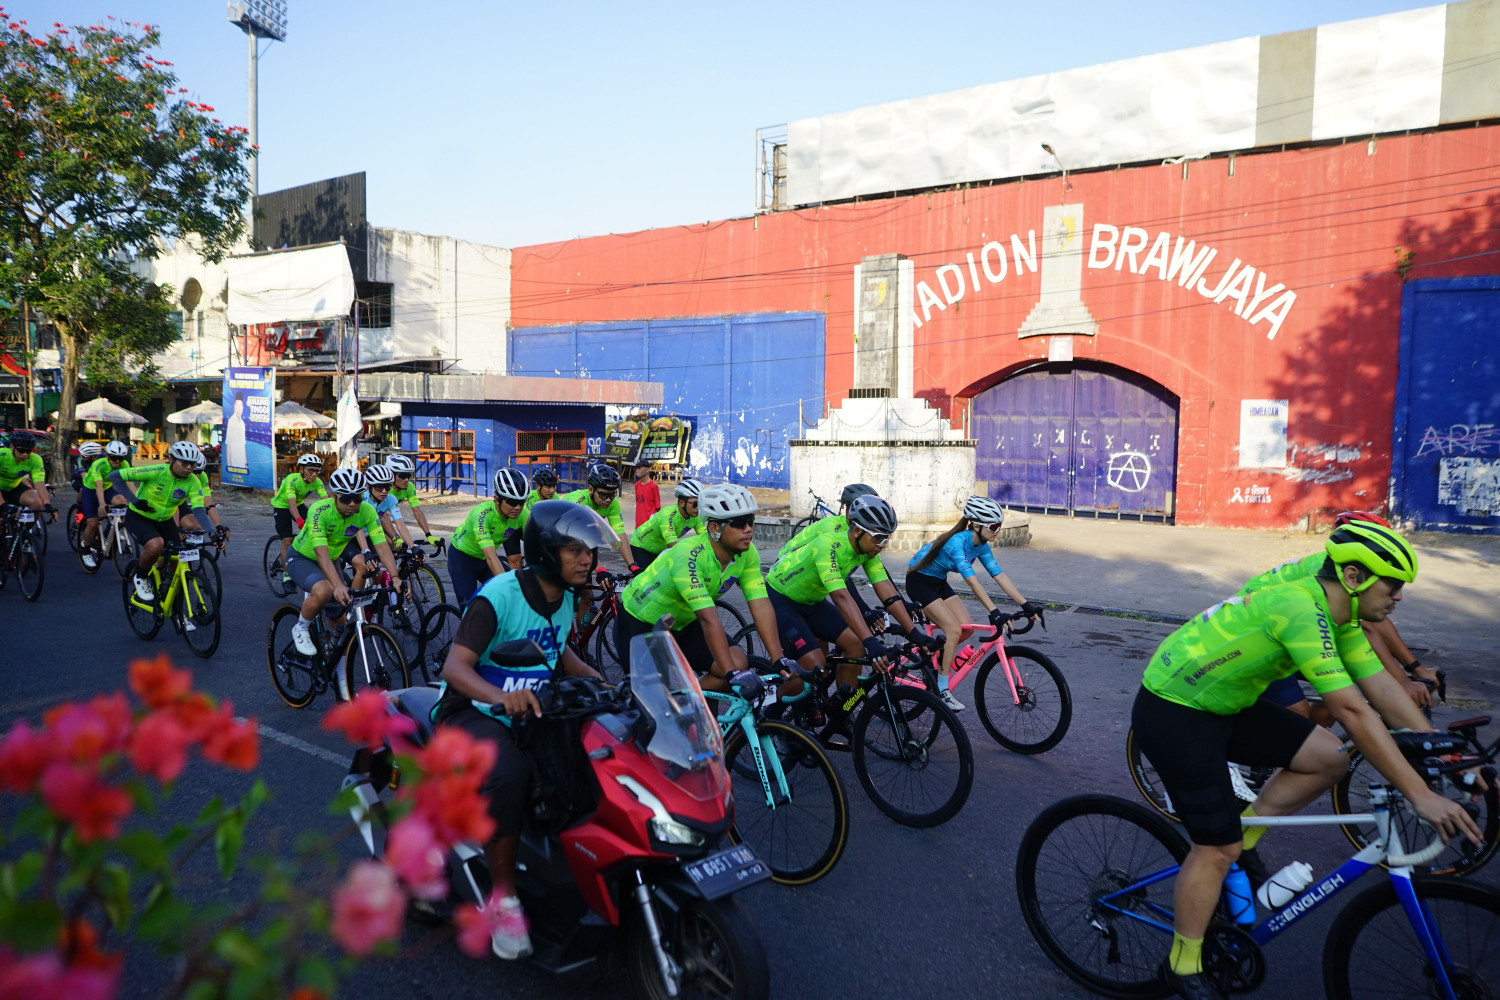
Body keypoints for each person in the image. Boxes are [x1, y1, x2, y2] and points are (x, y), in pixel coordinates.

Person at [1131, 521, 1481, 1000]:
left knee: (1329, 758)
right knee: (1215, 848)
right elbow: (1353, 711)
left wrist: (1452, 753)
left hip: (1227, 705)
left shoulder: (1343, 618)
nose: (1399, 597)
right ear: (1354, 577)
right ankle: (1183, 963)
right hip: (1174, 711)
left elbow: (1382, 689)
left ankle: (1245, 839)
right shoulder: (1300, 608)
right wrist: (1419, 795)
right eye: (1392, 586)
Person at [432, 499, 614, 960]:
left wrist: (599, 680)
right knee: (512, 772)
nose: (586, 560)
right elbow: (455, 667)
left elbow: (557, 651)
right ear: (546, 552)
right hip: (472, 710)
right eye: (574, 551)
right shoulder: (499, 596)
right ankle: (504, 900)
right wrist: (500, 697)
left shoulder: (567, 595)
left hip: (534, 706)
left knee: (598, 752)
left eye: (589, 551)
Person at [1239, 510, 1439, 719]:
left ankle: (1315, 736)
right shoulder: (1330, 571)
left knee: (1343, 688)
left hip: (1293, 629)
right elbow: (1367, 629)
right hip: (1258, 636)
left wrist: (1415, 668)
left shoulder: (1349, 570)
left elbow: (1380, 624)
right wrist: (1403, 681)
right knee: (1298, 711)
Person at [765, 494, 931, 743]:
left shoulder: (867, 551)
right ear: (856, 531)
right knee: (814, 664)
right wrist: (870, 641)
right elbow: (842, 598)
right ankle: (768, 715)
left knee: (854, 645)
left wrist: (914, 633)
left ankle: (840, 714)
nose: (883, 544)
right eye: (878, 537)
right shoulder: (828, 545)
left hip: (811, 601)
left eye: (887, 538)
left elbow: (887, 590)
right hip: (781, 599)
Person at [616, 483, 794, 691]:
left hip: (683, 621)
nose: (748, 529)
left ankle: (690, 700)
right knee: (651, 698)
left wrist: (778, 659)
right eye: (739, 522)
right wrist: (732, 675)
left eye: (750, 521)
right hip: (641, 621)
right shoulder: (688, 555)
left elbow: (761, 605)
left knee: (738, 662)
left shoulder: (747, 553)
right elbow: (708, 618)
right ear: (714, 528)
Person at [905, 495, 1043, 711]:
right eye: (993, 526)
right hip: (919, 583)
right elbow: (972, 582)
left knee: (965, 628)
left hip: (938, 582)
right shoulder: (957, 543)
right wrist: (994, 611)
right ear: (977, 525)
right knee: (953, 630)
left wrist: (1026, 605)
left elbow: (999, 575)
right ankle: (942, 690)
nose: (997, 531)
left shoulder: (982, 545)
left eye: (1000, 526)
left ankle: (938, 659)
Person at [283, 467, 405, 657]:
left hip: (331, 557)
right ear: (334, 496)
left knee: (340, 622)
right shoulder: (319, 510)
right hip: (302, 558)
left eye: (357, 498)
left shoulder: (367, 510)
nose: (352, 503)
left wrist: (395, 576)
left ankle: (336, 665)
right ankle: (301, 627)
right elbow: (321, 553)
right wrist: (338, 585)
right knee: (325, 590)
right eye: (346, 498)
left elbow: (382, 546)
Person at [109, 441, 224, 601]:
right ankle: (141, 576)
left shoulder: (193, 481)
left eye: (192, 464)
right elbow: (114, 476)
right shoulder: (155, 471)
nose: (189, 468)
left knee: (177, 558)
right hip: (139, 517)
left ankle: (166, 591)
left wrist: (212, 533)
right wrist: (134, 501)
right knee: (156, 545)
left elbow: (199, 510)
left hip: (165, 520)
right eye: (184, 463)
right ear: (171, 460)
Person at [448, 468, 531, 606]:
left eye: (521, 502)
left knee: (516, 592)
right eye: (511, 502)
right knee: (469, 607)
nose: (517, 507)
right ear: (497, 499)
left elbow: (539, 542)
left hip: (483, 560)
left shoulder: (523, 514)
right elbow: (490, 556)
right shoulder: (481, 514)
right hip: (462, 559)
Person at [560, 463, 635, 569]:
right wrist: (600, 569)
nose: (608, 499)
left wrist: (632, 566)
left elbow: (620, 534)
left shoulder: (613, 503)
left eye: (612, 494)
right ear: (591, 489)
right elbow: (580, 539)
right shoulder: (578, 501)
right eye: (603, 495)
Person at [270, 454, 328, 585]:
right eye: (311, 470)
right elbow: (291, 505)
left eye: (317, 471)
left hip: (298, 505)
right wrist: (300, 521)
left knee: (315, 529)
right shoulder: (292, 479)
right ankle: (286, 577)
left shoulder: (317, 482)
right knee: (287, 541)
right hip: (282, 506)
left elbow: (327, 502)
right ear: (301, 469)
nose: (314, 474)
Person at [627, 478, 704, 572]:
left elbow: (706, 539)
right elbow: (674, 546)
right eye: (695, 504)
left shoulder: (696, 517)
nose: (698, 508)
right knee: (646, 578)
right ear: (682, 503)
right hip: (641, 546)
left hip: (660, 549)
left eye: (701, 503)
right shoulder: (667, 515)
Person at [80, 441, 132, 567]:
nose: (117, 462)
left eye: (121, 459)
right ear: (107, 455)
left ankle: (109, 532)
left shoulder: (124, 464)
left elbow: (130, 483)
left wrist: (137, 501)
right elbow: (98, 487)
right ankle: (86, 551)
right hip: (90, 490)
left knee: (122, 503)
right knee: (92, 523)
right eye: (114, 458)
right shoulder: (98, 464)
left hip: (107, 488)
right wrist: (102, 504)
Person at [382, 454, 440, 547]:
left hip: (382, 517)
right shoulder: (383, 489)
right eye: (402, 476)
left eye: (409, 476)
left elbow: (417, 511)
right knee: (389, 545)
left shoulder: (409, 487)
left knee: (399, 547)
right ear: (391, 475)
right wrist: (395, 538)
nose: (406, 480)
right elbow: (382, 516)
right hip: (371, 519)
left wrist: (428, 535)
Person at [0, 429, 53, 519]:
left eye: (28, 451)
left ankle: (26, 527)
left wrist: (47, 503)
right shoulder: (2, 456)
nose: (25, 454)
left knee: (37, 504)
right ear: (12, 447)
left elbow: (39, 483)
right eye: (21, 450)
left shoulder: (35, 459)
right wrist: (2, 504)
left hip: (15, 487)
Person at [223, 395, 247, 472]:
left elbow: (243, 445)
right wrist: (229, 465)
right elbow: (228, 445)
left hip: (242, 464)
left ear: (243, 408)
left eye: (241, 405)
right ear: (234, 406)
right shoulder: (231, 421)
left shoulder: (242, 423)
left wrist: (246, 464)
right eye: (237, 405)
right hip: (234, 464)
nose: (239, 408)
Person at [633, 463, 660, 528]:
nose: (637, 471)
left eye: (639, 468)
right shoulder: (637, 485)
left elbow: (658, 506)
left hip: (649, 524)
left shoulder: (653, 486)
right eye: (636, 468)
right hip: (638, 524)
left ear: (647, 469)